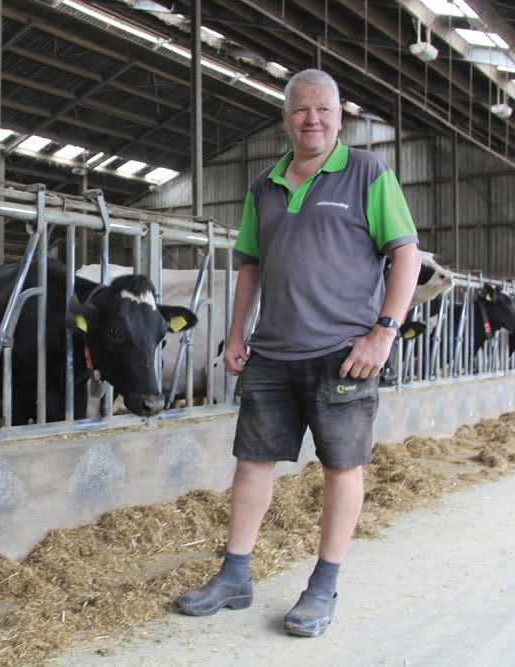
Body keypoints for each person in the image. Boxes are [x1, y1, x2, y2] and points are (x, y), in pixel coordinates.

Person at [174, 69, 421, 637]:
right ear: (285, 119)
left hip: (344, 352)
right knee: (251, 463)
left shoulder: (368, 172)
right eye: (300, 109)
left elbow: (405, 255)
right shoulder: (264, 184)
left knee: (342, 468)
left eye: (324, 109)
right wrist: (236, 334)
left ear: (340, 116)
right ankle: (235, 575)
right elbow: (250, 265)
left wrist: (384, 331)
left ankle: (323, 585)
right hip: (273, 352)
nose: (313, 118)